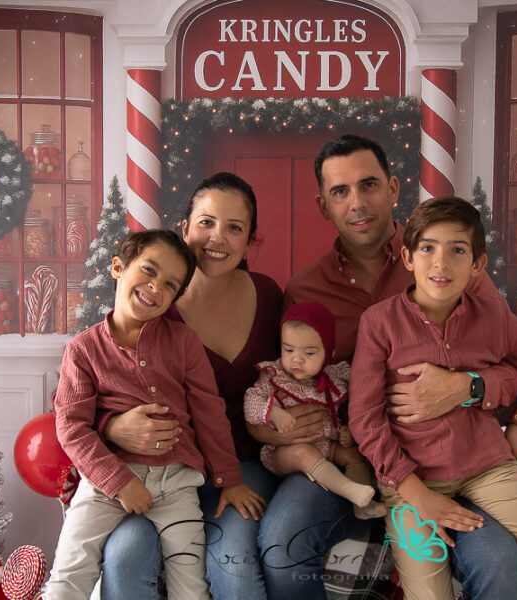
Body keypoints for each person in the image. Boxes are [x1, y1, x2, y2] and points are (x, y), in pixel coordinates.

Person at [257, 134, 517, 599]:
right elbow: (283, 383)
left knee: (497, 561)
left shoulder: (446, 262)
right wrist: (281, 428)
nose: (357, 203)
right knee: (281, 539)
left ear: (392, 189)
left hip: (447, 458)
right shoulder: (305, 290)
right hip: (345, 459)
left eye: (368, 185)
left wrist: (467, 385)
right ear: (323, 206)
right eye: (340, 192)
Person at [348, 196, 517, 600]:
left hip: (488, 467)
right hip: (411, 478)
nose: (441, 263)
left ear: (478, 264)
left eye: (457, 250)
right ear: (408, 258)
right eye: (428, 248)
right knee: (428, 593)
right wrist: (417, 495)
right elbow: (365, 419)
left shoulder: (493, 316)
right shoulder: (379, 323)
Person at [99, 173, 289, 600]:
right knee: (125, 556)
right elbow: (89, 387)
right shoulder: (151, 302)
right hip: (159, 466)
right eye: (206, 222)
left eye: (234, 227)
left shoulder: (269, 296)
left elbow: (292, 376)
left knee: (233, 565)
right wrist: (111, 426)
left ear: (249, 242)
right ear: (184, 229)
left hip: (241, 465)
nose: (217, 237)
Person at [44, 230, 261, 600]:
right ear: (118, 267)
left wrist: (229, 477)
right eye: (148, 270)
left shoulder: (184, 341)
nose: (155, 287)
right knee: (69, 575)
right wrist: (118, 482)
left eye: (170, 284)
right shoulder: (83, 350)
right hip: (105, 484)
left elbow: (210, 412)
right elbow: (71, 426)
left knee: (191, 586)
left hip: (176, 485)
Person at [244, 301, 385, 518]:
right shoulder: (274, 376)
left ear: (328, 353)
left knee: (353, 454)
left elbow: (353, 404)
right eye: (288, 350)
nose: (296, 359)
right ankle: (351, 491)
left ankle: (364, 505)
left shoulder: (335, 378)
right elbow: (251, 398)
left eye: (309, 353)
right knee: (303, 453)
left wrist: (347, 429)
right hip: (284, 452)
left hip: (327, 445)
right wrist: (273, 413)